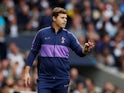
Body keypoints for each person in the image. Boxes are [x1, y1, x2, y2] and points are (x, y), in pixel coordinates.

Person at [23, 7, 94, 93]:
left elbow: (80, 52)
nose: (65, 20)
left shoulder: (69, 36)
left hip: (62, 79)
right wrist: (26, 72)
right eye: (62, 18)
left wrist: (85, 49)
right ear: (54, 18)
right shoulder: (41, 34)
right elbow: (33, 52)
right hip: (44, 79)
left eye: (66, 18)